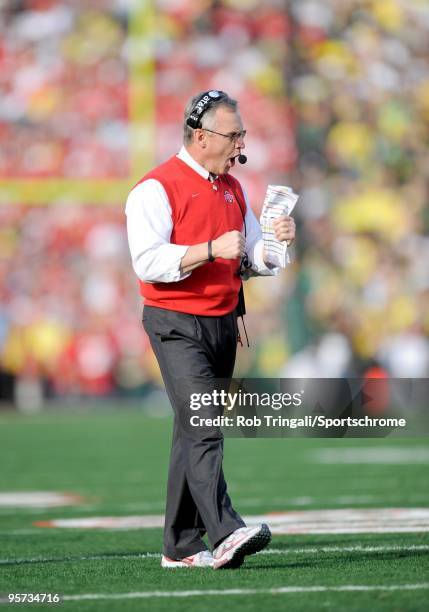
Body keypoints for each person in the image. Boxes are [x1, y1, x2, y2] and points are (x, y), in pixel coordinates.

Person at [125, 90, 296, 569]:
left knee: (191, 429)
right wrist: (208, 248)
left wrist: (276, 246)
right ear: (201, 137)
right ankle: (223, 531)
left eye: (241, 133)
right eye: (233, 134)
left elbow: (250, 258)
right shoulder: (155, 188)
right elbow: (148, 261)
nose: (240, 143)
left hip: (223, 321)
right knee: (204, 422)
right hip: (175, 321)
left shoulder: (233, 187)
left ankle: (179, 547)